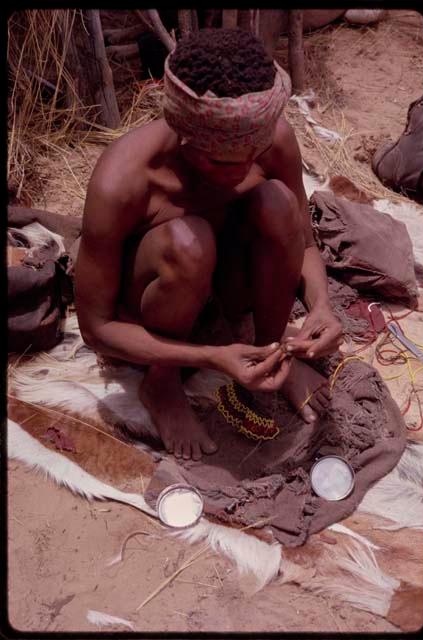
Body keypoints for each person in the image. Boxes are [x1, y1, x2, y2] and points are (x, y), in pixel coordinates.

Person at [75, 28, 343, 461]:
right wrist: (211, 357)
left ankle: (271, 355)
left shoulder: (268, 141)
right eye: (224, 162)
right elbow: (97, 328)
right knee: (188, 240)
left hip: (226, 287)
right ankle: (162, 383)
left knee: (278, 203)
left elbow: (305, 244)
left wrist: (321, 305)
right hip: (158, 298)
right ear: (186, 142)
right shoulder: (123, 180)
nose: (247, 165)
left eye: (256, 150)